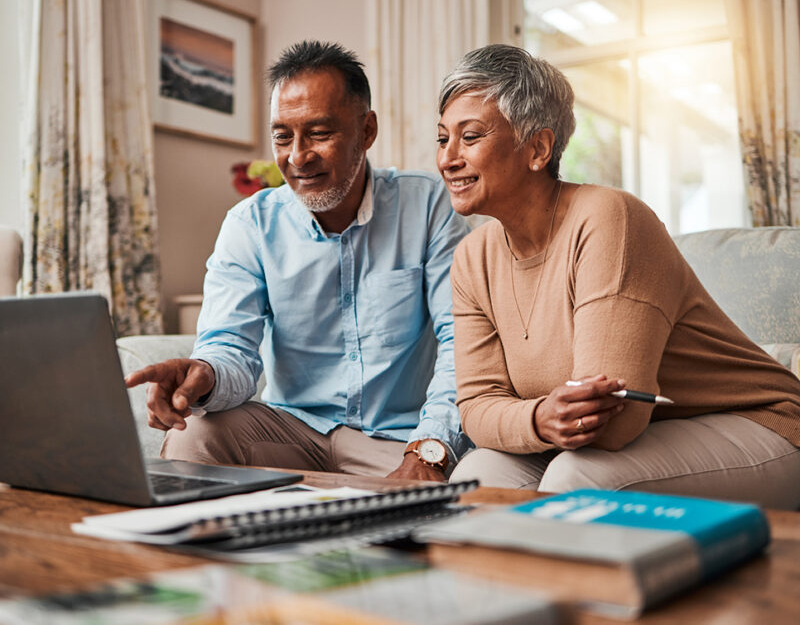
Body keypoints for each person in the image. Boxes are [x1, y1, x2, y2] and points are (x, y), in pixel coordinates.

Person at [439, 44, 800, 509]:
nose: (448, 158)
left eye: (469, 138)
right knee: (475, 478)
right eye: (442, 138)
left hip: (760, 424)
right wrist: (539, 419)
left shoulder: (610, 218)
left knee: (577, 479)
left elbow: (614, 423)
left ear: (538, 148)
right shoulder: (472, 258)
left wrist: (540, 418)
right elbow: (476, 407)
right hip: (632, 438)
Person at [126, 41, 471, 481]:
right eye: (282, 136)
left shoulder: (427, 205)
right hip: (291, 433)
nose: (298, 156)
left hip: (399, 440)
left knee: (472, 481)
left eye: (320, 133)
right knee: (195, 434)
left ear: (366, 131)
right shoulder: (250, 224)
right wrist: (203, 373)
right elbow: (231, 347)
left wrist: (428, 451)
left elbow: (463, 341)